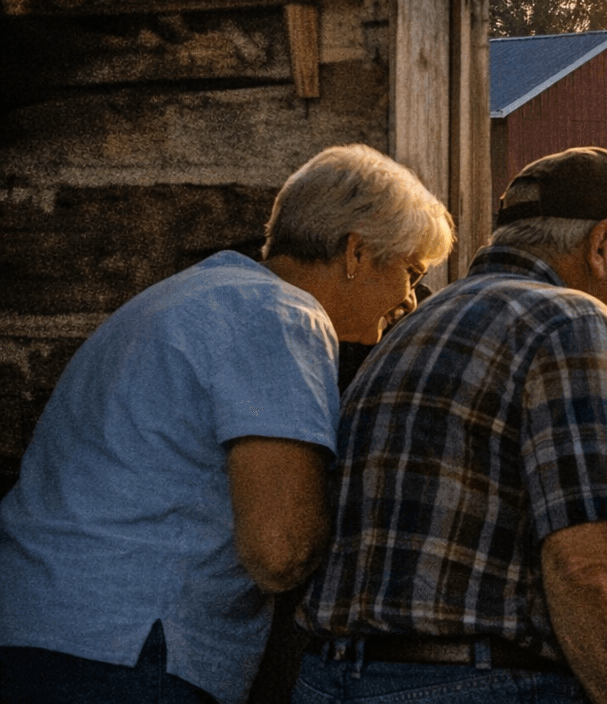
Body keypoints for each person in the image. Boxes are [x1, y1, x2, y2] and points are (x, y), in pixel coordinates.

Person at [294, 146, 607, 704]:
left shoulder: (415, 324)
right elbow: (591, 573)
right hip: (466, 682)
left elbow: (458, 503)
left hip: (326, 678)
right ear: (602, 245)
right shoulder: (574, 320)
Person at [0, 145, 454, 704]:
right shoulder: (283, 316)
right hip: (129, 651)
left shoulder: (188, 296)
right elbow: (279, 549)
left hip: (36, 626)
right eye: (411, 272)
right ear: (356, 252)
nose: (410, 300)